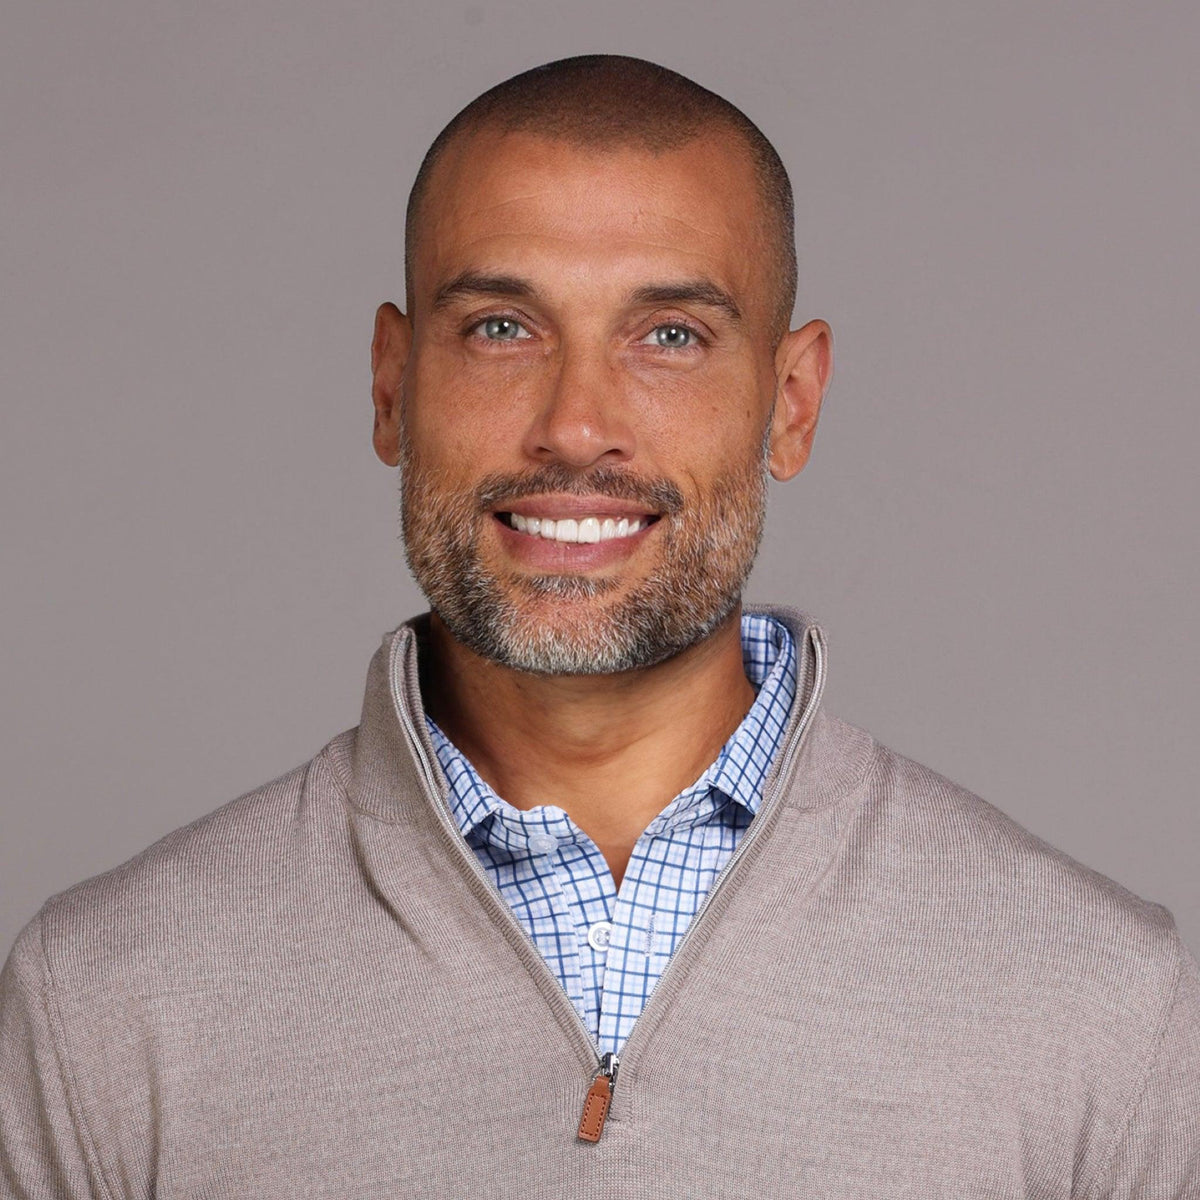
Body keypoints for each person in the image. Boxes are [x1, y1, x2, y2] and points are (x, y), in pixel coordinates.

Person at [1, 53, 1197, 1199]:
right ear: (391, 385)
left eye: (669, 335)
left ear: (791, 403)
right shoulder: (107, 1001)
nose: (576, 427)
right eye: (501, 329)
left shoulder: (1104, 1005)